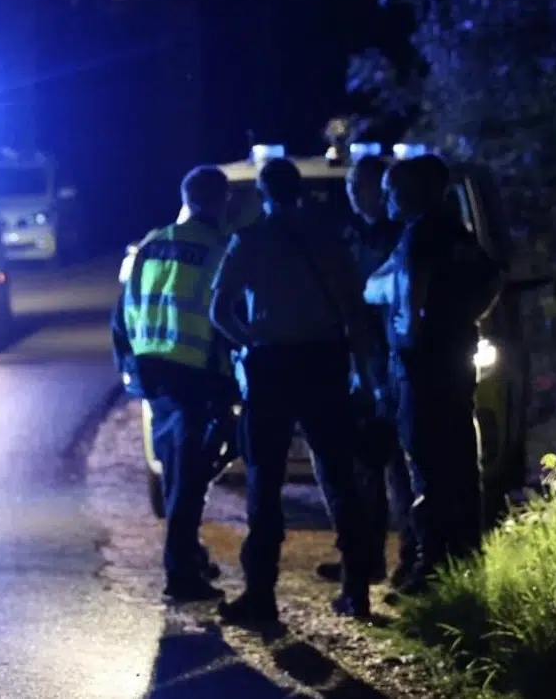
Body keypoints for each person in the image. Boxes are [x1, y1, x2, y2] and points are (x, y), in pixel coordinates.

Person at [210, 157, 381, 622]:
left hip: (271, 365)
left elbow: (219, 309)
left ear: (264, 193)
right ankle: (357, 589)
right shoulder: (329, 241)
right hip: (324, 362)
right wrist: (363, 376)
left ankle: (261, 593)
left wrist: (248, 342)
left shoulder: (249, 241)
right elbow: (353, 310)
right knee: (339, 476)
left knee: (265, 480)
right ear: (299, 191)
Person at [368, 155, 501, 595]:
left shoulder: (420, 234)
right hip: (454, 358)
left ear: (411, 191)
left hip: (421, 367)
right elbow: (492, 278)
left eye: (391, 190)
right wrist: (466, 319)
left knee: (425, 462)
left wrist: (414, 332)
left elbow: (411, 291)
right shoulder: (455, 231)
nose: (386, 198)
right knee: (460, 459)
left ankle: (431, 565)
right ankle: (464, 557)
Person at [112, 166, 236, 602]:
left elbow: (121, 315)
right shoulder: (220, 249)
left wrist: (129, 369)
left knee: (176, 478)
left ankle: (189, 555)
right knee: (187, 479)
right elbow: (226, 319)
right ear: (219, 202)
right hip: (195, 376)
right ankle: (180, 575)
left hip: (153, 375)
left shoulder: (150, 243)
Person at [315, 156, 418, 589]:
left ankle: (412, 560)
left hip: (399, 360)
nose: (356, 193)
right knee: (362, 469)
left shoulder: (405, 233)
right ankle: (365, 558)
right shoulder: (344, 234)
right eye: (352, 185)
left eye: (365, 185)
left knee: (401, 468)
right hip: (358, 362)